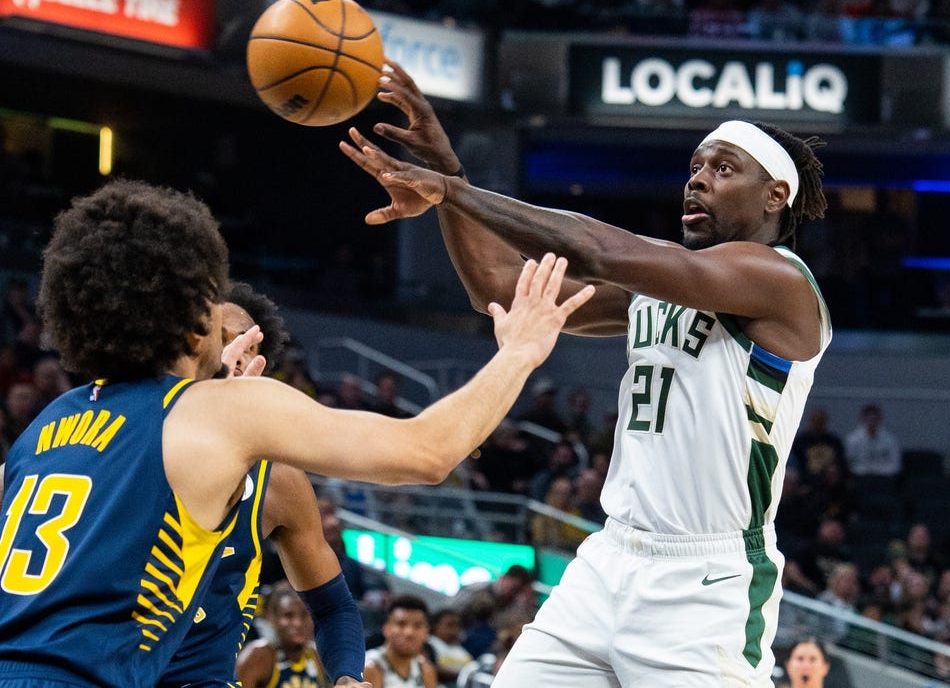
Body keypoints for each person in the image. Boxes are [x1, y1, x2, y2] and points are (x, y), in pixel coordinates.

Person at [343, 60, 831, 686]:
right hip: (608, 560)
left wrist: (452, 192)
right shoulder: (655, 292)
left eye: (723, 169)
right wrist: (448, 175)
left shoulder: (781, 282)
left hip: (704, 584)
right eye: (696, 168)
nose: (698, 181)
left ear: (774, 196)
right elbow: (497, 286)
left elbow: (600, 250)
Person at [0, 178, 592, 686]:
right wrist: (520, 351)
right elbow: (428, 451)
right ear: (184, 320)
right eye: (210, 302)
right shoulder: (221, 411)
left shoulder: (45, 425)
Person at [160, 283, 366, 688]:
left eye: (246, 347)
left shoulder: (279, 481)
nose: (232, 355)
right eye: (219, 340)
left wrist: (346, 676)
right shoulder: (127, 433)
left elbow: (333, 607)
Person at [235, 583, 326, 688]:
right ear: (272, 619)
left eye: (304, 615)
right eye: (288, 616)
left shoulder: (317, 655)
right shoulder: (258, 655)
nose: (298, 623)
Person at [363, 594, 438, 688]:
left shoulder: (426, 670)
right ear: (386, 629)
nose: (409, 633)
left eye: (417, 625)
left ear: (426, 632)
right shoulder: (369, 668)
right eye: (401, 624)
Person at [843, 403, 902, 477]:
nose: (872, 423)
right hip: (860, 478)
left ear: (880, 420)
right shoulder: (852, 439)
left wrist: (877, 471)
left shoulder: (890, 440)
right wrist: (866, 470)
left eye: (875, 419)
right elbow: (849, 464)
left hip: (884, 478)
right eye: (870, 419)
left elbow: (896, 465)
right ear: (863, 419)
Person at [426, 608, 475, 688]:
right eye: (450, 625)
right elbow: (432, 670)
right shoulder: (429, 644)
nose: (455, 630)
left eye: (458, 626)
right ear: (435, 625)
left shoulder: (462, 650)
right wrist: (464, 675)